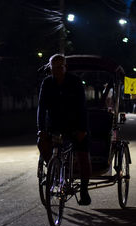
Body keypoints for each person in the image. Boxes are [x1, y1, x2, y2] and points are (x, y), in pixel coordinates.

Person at [37, 54, 92, 205]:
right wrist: (41, 129)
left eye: (60, 67)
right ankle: (53, 169)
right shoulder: (47, 83)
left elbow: (82, 107)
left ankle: (84, 191)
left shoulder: (74, 82)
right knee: (41, 142)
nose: (57, 70)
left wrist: (82, 129)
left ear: (65, 67)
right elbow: (41, 108)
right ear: (51, 68)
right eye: (54, 67)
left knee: (83, 155)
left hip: (76, 125)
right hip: (54, 125)